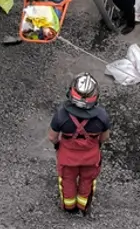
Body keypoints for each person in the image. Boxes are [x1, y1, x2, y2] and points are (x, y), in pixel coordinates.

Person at [48, 73, 111, 216]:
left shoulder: (61, 114)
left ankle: (69, 207)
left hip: (67, 158)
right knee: (87, 180)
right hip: (91, 158)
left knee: (67, 180)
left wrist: (59, 145)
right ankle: (83, 207)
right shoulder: (102, 115)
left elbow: (52, 137)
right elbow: (105, 137)